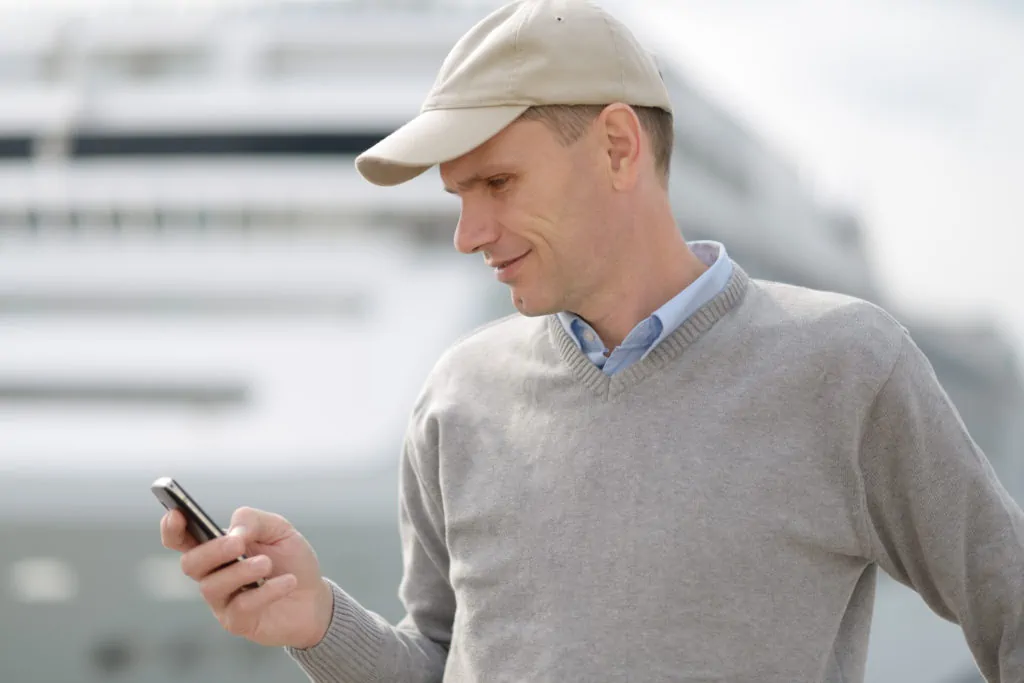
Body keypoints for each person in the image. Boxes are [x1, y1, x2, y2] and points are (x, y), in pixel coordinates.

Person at [159, 0, 1024, 681]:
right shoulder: (458, 395)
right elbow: (442, 660)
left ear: (617, 146)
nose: (468, 232)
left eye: (496, 182)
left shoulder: (845, 366)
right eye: (458, 194)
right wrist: (315, 620)